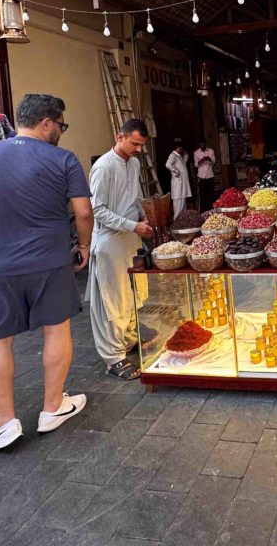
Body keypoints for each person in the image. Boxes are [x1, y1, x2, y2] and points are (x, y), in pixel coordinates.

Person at [0, 94, 92, 454]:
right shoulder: (63, 159)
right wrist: (85, 245)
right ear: (47, 123)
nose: (61, 131)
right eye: (61, 124)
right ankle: (53, 407)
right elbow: (84, 212)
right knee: (56, 330)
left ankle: (3, 424)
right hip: (50, 261)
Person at [87, 119, 154, 381]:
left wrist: (143, 218)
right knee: (114, 298)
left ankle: (128, 339)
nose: (138, 149)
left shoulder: (134, 163)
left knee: (135, 293)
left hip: (130, 236)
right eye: (134, 143)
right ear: (120, 136)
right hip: (109, 240)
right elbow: (97, 210)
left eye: (141, 145)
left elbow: (134, 197)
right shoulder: (103, 166)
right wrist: (132, 225)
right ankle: (113, 358)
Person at [166, 140, 192, 218]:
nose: (182, 149)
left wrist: (185, 153)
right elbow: (168, 164)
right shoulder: (172, 155)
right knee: (178, 203)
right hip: (178, 184)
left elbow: (185, 160)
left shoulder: (179, 156)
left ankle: (182, 220)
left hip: (182, 184)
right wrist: (175, 171)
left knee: (183, 202)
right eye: (181, 148)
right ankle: (176, 220)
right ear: (178, 148)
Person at [193, 139, 216, 210]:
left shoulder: (211, 151)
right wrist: (201, 160)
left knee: (211, 194)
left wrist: (209, 159)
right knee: (202, 195)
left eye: (204, 144)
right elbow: (196, 165)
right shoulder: (196, 153)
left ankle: (211, 209)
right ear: (199, 144)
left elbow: (213, 163)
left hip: (210, 175)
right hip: (201, 176)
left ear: (206, 144)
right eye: (201, 144)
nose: (203, 146)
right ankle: (203, 211)